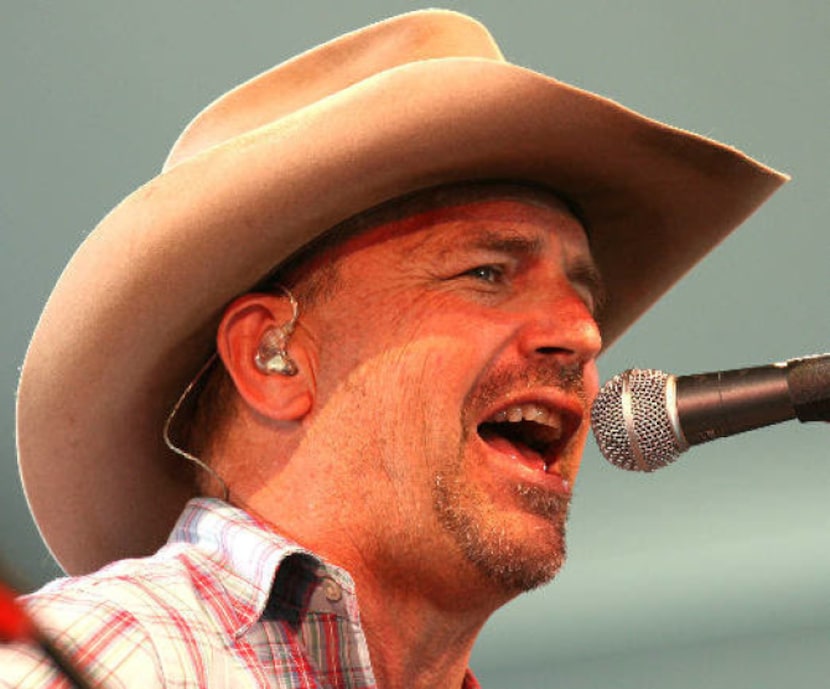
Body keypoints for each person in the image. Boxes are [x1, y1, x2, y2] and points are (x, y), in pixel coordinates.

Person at [2, 9, 785, 689]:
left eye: (587, 300)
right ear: (273, 355)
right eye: (486, 273)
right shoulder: (99, 663)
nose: (582, 335)